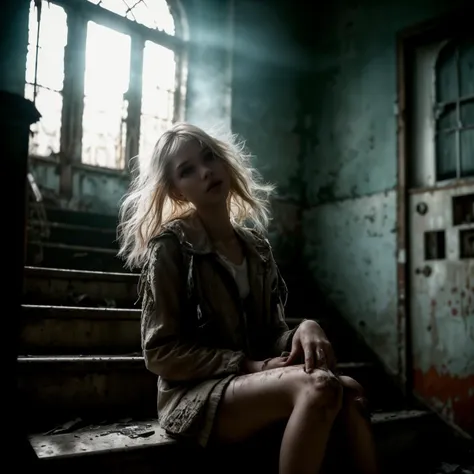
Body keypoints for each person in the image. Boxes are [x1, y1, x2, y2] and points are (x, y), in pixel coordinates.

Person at [117, 122, 379, 474]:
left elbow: (269, 333)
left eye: (209, 157)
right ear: (178, 192)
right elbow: (160, 352)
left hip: (248, 383)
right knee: (319, 386)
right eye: (188, 170)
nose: (206, 171)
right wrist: (244, 364)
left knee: (350, 391)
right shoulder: (170, 247)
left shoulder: (256, 248)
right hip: (193, 395)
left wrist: (303, 329)